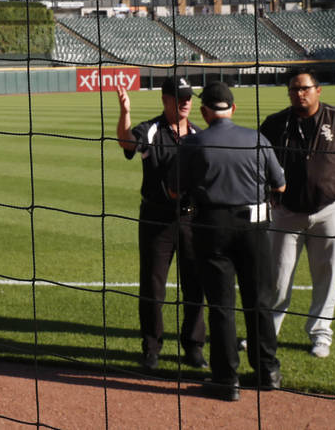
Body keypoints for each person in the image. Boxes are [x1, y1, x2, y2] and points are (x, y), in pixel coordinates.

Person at [170, 81, 285, 401]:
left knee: (221, 306)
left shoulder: (194, 144)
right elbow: (281, 186)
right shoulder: (257, 138)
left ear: (205, 112)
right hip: (256, 227)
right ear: (233, 109)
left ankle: (226, 380)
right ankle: (268, 372)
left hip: (213, 227)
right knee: (260, 301)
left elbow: (173, 191)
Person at [259, 69, 335, 359]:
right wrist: (265, 190)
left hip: (330, 208)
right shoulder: (276, 123)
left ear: (318, 90)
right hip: (286, 210)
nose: (299, 93)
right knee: (277, 276)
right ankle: (266, 334)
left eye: (305, 88)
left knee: (327, 273)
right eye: (294, 89)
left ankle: (320, 334)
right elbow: (257, 157)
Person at [115, 76, 206, 371]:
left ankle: (193, 347)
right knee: (153, 287)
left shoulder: (198, 133)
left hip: (192, 219)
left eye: (188, 97)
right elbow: (127, 144)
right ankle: (151, 348)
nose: (186, 102)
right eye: (179, 97)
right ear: (165, 99)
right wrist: (125, 112)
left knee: (195, 285)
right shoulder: (151, 130)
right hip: (156, 218)